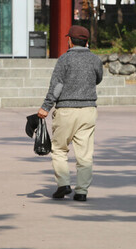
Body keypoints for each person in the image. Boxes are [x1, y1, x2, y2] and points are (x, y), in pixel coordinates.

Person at [37, 25, 103, 202]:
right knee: (85, 154)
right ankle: (81, 191)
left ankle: (63, 184)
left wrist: (45, 106)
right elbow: (98, 79)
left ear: (70, 41)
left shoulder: (64, 60)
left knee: (59, 149)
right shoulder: (95, 60)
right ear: (87, 42)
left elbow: (57, 86)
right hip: (88, 110)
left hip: (66, 110)